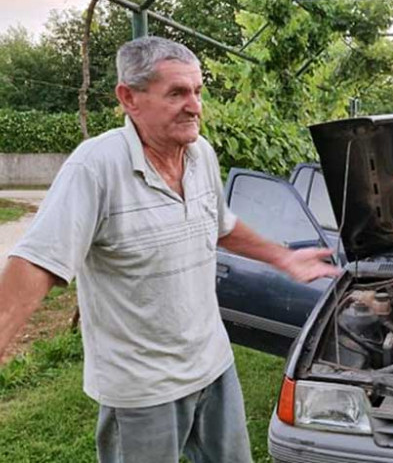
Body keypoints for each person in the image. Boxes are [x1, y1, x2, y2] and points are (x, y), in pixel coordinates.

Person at [0, 36, 339, 463]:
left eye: (197, 91)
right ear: (129, 98)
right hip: (142, 389)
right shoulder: (95, 168)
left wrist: (283, 257)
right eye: (177, 92)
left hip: (213, 366)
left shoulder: (200, 154)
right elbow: (36, 264)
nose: (195, 105)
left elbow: (221, 226)